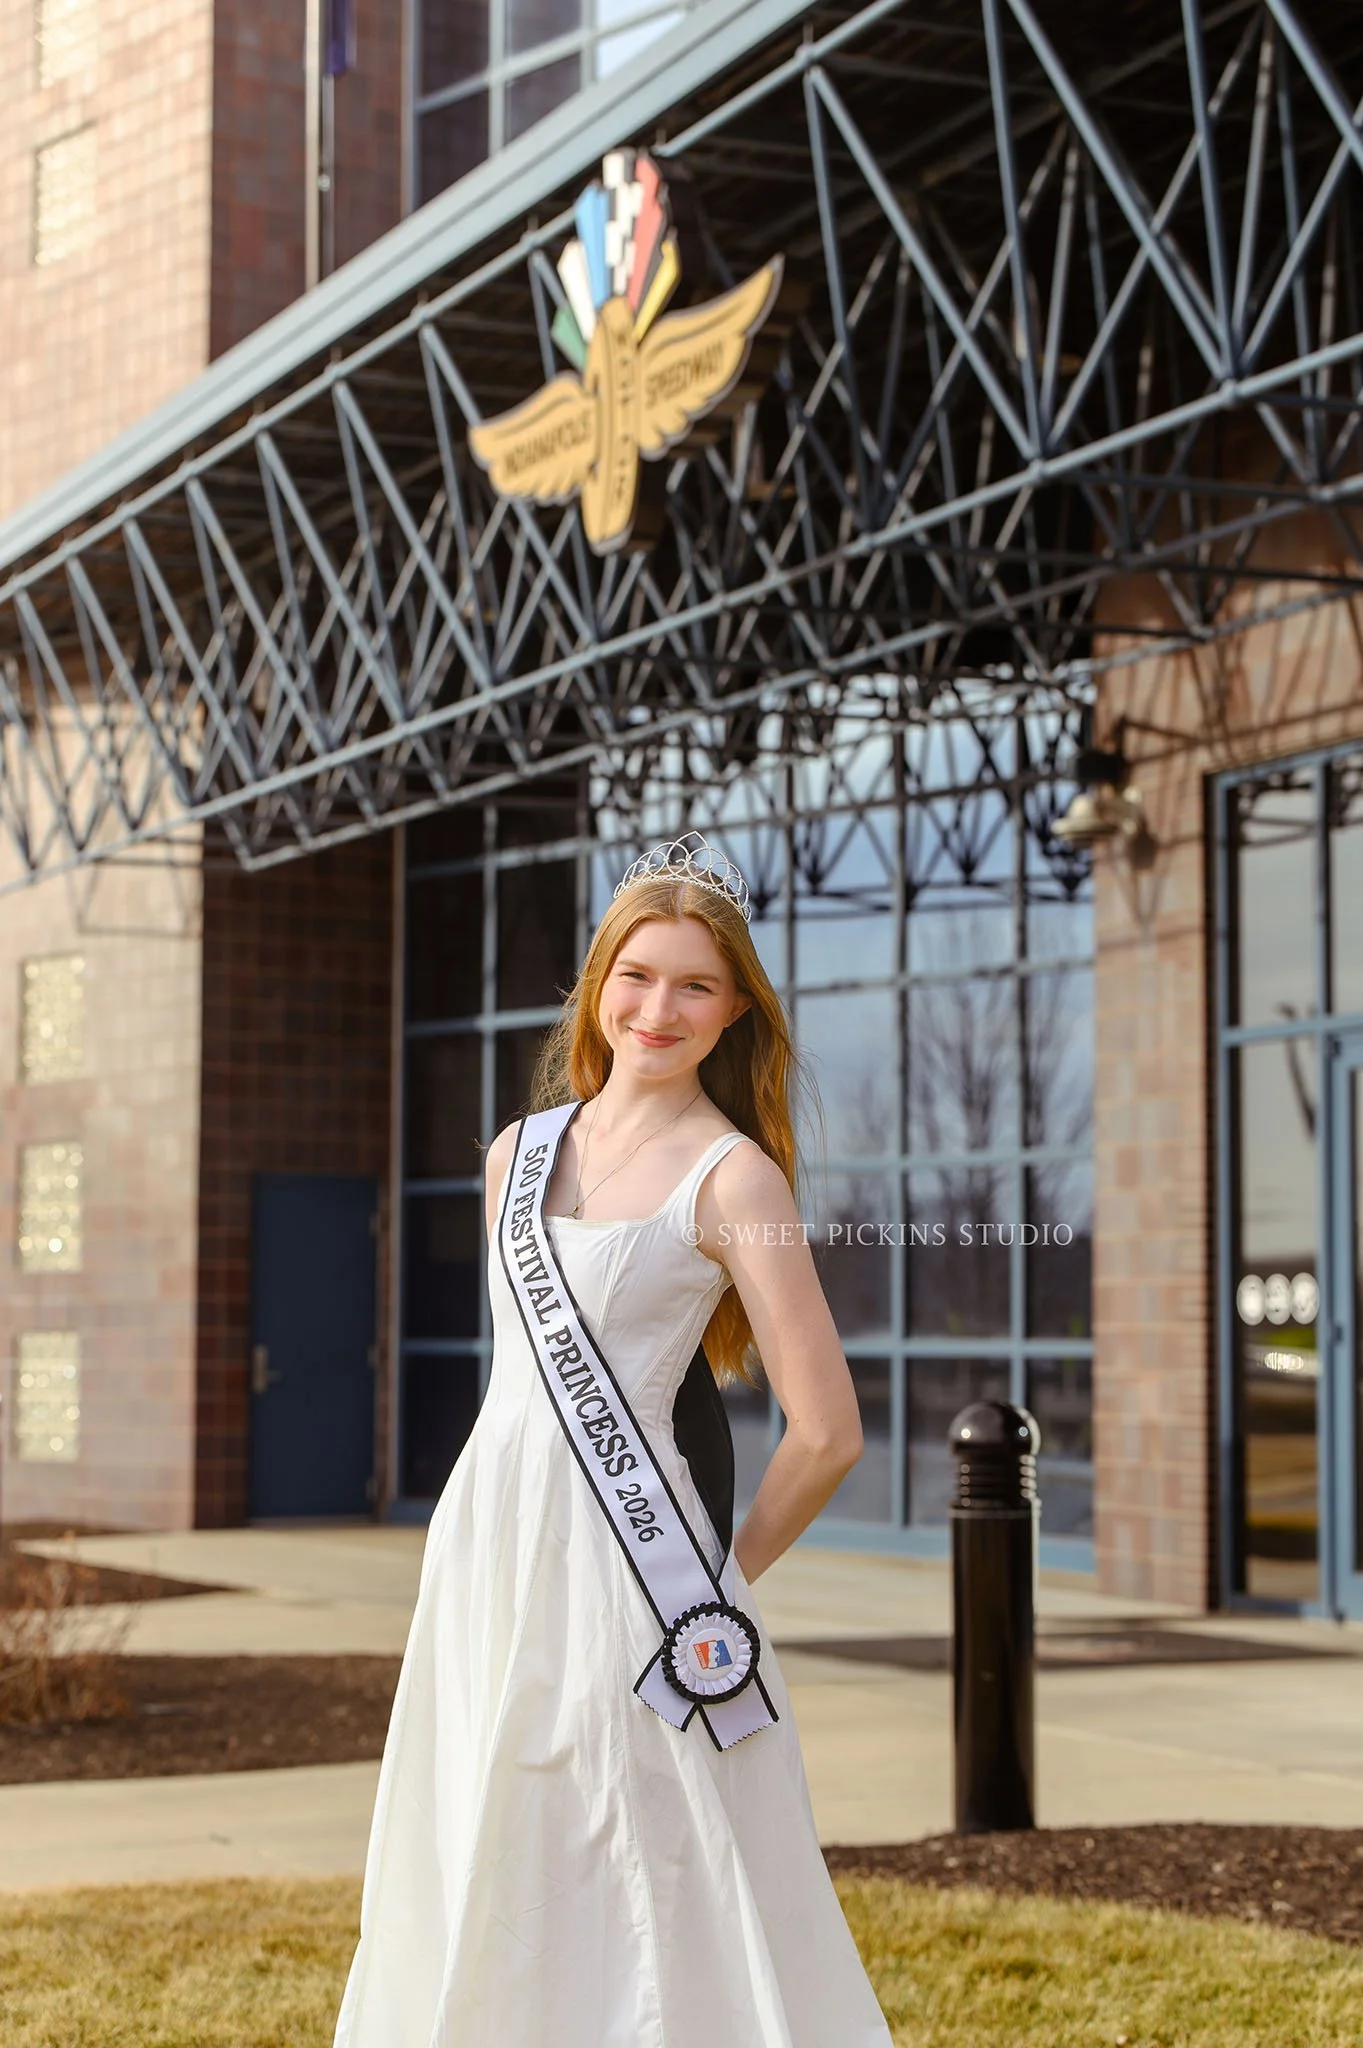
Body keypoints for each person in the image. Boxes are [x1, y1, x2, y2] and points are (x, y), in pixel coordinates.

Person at [333, 833, 893, 2048]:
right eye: (637, 974)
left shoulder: (736, 1179)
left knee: (643, 1835)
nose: (660, 1006)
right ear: (599, 983)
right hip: (489, 1536)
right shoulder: (515, 1156)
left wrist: (720, 1583)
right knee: (489, 1811)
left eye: (696, 982)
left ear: (735, 1005)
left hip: (639, 1567)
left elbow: (829, 1429)